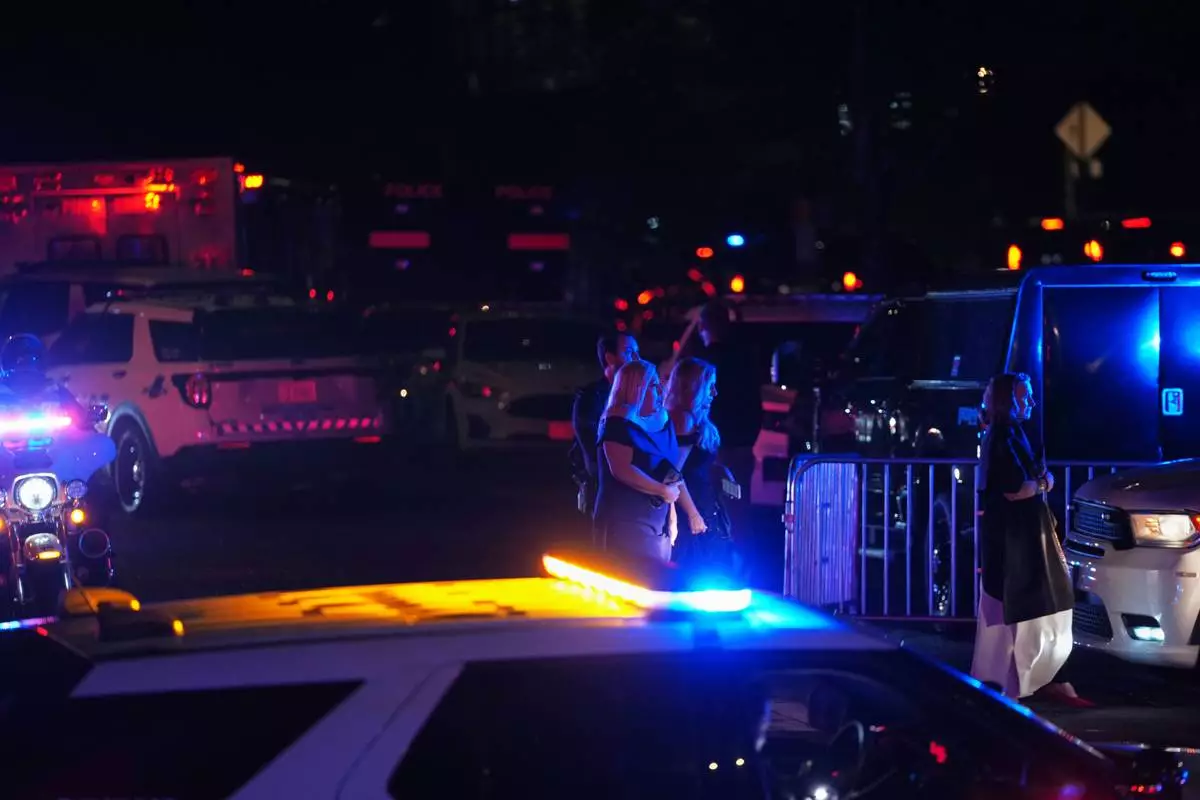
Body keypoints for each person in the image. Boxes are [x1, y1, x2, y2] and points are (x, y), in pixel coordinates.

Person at [970, 372, 1088, 705]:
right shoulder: (1001, 438)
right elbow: (1015, 489)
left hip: (1023, 538)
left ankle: (1040, 680)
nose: (1032, 402)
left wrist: (1039, 483)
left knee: (1036, 610)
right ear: (1009, 401)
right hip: (1015, 542)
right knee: (1023, 614)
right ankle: (1017, 684)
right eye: (1026, 396)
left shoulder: (1010, 434)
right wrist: (1042, 483)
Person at [697, 301, 768, 584]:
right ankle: (744, 571)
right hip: (740, 451)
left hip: (715, 454)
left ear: (703, 327)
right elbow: (755, 405)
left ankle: (722, 572)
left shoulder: (705, 363)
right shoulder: (745, 360)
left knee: (714, 510)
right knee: (738, 509)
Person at [593, 360, 691, 561]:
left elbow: (667, 472)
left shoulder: (663, 423)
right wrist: (662, 491)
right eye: (653, 385)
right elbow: (621, 469)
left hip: (658, 521)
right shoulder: (616, 423)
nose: (661, 391)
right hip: (626, 519)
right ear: (636, 389)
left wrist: (672, 516)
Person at [665, 357, 742, 575]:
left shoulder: (694, 419)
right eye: (710, 385)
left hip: (704, 503)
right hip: (692, 507)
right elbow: (672, 472)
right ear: (694, 386)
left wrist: (718, 469)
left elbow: (691, 463)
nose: (715, 392)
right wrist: (693, 514)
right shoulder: (682, 419)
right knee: (698, 571)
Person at [570, 332, 639, 518]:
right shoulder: (592, 399)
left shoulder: (640, 397)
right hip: (606, 492)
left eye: (637, 352)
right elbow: (594, 451)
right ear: (610, 358)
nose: (637, 358)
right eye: (630, 352)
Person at [0, 333, 88, 422]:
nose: (26, 367)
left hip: (55, 436)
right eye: (22, 362)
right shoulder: (56, 390)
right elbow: (82, 418)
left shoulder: (55, 390)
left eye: (29, 361)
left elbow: (82, 419)